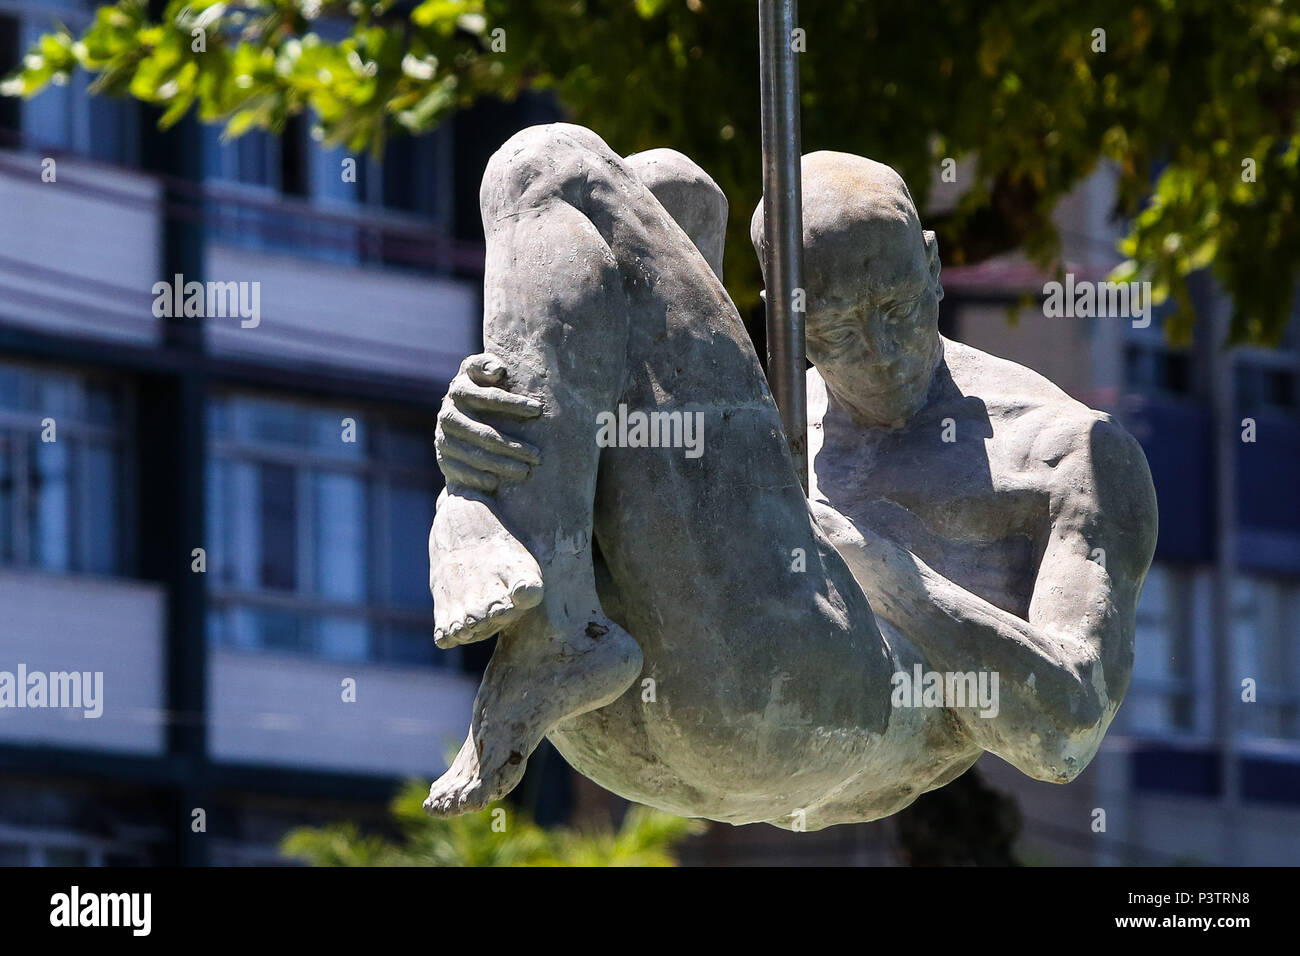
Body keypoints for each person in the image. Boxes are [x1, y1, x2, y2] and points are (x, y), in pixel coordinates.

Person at [425, 124, 1157, 830]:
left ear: (932, 264)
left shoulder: (1067, 449)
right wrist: (485, 431)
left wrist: (887, 570)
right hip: (616, 724)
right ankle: (540, 596)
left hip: (799, 719)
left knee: (552, 165)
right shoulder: (782, 413)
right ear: (785, 314)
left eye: (898, 308)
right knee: (668, 186)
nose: (877, 351)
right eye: (835, 327)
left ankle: (530, 595)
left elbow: (1068, 731)